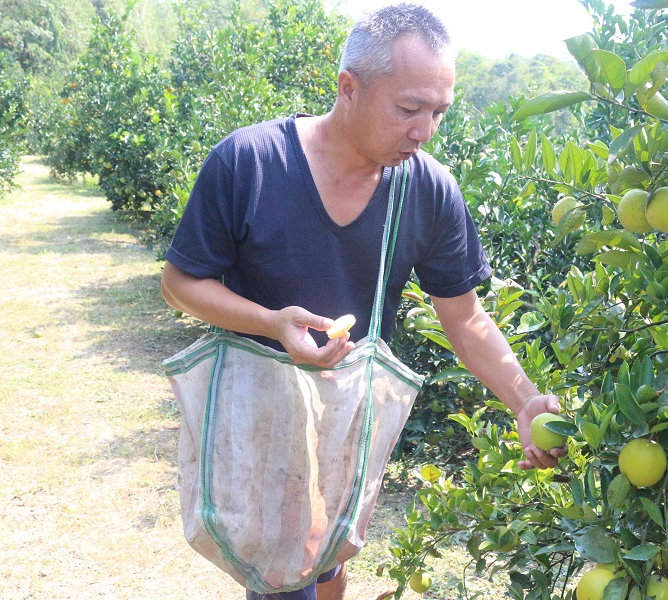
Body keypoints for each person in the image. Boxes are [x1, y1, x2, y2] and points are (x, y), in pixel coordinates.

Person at [161, 3, 566, 599]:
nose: (424, 130)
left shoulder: (428, 189)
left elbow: (466, 316)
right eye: (408, 109)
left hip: (347, 414)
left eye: (438, 112)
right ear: (348, 88)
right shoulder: (249, 163)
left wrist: (525, 398)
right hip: (260, 411)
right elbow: (180, 283)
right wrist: (273, 324)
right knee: (282, 575)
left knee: (329, 557)